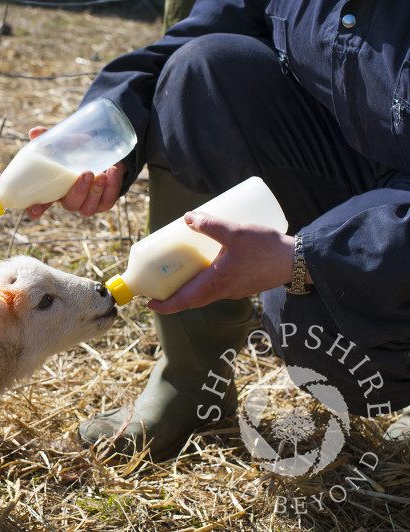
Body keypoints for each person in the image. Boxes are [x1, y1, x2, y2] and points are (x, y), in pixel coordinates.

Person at [27, 0, 410, 459]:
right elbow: (192, 38)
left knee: (310, 316)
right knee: (198, 75)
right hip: (355, 160)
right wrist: (106, 133)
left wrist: (309, 259)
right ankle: (193, 383)